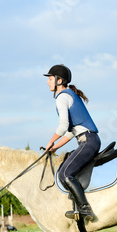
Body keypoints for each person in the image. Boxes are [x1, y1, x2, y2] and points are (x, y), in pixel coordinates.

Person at [43, 64, 101, 221]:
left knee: (64, 173)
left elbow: (62, 126)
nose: (48, 82)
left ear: (59, 80)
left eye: (50, 79)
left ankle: (85, 208)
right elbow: (70, 132)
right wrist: (55, 147)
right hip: (88, 140)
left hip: (88, 141)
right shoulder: (69, 96)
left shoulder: (62, 97)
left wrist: (50, 141)